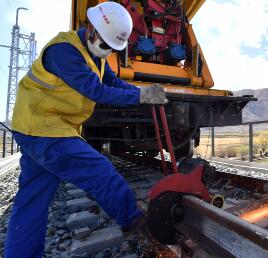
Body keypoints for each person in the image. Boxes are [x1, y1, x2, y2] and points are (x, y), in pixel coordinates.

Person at [4, 2, 166, 258]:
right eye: (105, 45)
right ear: (91, 28)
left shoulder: (95, 55)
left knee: (32, 201)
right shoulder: (63, 51)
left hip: (39, 128)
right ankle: (135, 221)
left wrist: (143, 92)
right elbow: (96, 91)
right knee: (98, 170)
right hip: (44, 128)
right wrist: (141, 99)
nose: (107, 51)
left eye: (112, 48)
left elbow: (112, 81)